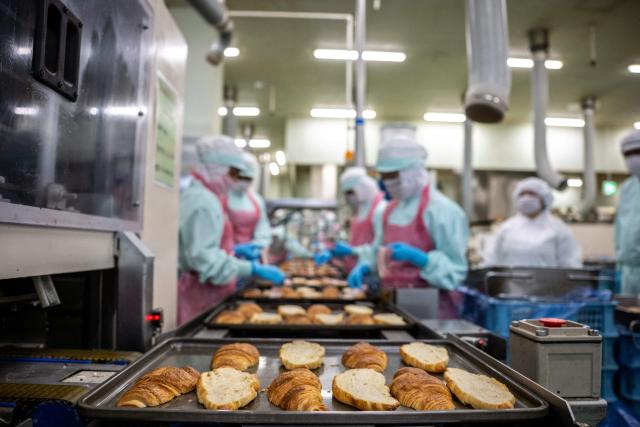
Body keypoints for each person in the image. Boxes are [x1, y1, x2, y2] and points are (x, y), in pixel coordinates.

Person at [348, 137, 470, 318]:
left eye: (393, 175)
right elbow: (378, 250)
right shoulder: (388, 210)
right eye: (384, 176)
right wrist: (366, 265)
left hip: (432, 310)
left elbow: (455, 271)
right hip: (391, 305)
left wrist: (422, 259)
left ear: (413, 171)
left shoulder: (443, 211)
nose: (387, 182)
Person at [177, 136, 284, 325]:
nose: (235, 181)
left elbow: (203, 247)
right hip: (200, 293)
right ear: (217, 169)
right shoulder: (204, 202)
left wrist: (235, 251)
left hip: (213, 289)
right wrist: (251, 268)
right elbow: (205, 260)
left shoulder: (207, 197)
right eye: (233, 173)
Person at [485, 177, 582, 268]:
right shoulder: (506, 228)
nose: (526, 198)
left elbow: (570, 262)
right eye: (522, 194)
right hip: (510, 284)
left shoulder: (559, 228)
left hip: (549, 284)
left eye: (531, 194)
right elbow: (491, 259)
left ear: (544, 199)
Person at [315, 167, 387, 273]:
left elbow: (380, 249)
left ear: (362, 187)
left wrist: (352, 251)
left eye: (350, 192)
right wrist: (334, 253)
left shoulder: (380, 210)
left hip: (371, 272)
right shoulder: (359, 212)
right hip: (355, 272)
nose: (348, 197)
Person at [226, 150, 272, 261]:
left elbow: (263, 228)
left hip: (250, 259)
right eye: (241, 178)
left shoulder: (256, 200)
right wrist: (233, 249)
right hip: (225, 257)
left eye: (248, 179)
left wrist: (259, 246)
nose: (244, 182)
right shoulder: (221, 198)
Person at [615, 130, 640, 295]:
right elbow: (619, 229)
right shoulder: (627, 188)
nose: (633, 158)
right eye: (627, 154)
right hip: (629, 271)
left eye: (637, 152)